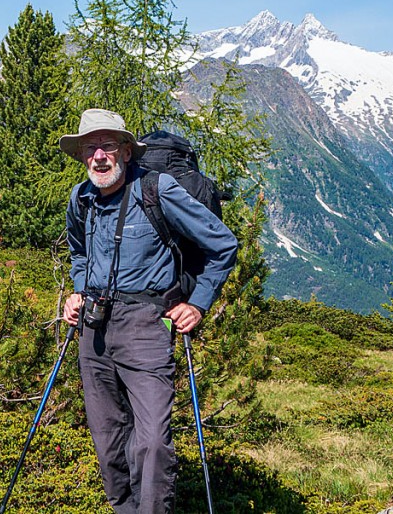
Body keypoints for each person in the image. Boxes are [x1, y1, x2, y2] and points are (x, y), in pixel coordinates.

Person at [59, 108, 238, 514]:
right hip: (93, 330)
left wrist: (198, 304)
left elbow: (222, 244)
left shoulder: (157, 189)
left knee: (152, 441)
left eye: (107, 145)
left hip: (145, 327)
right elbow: (80, 253)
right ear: (82, 154)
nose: (99, 155)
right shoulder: (81, 198)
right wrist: (78, 292)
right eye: (91, 147)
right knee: (108, 441)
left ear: (126, 150)